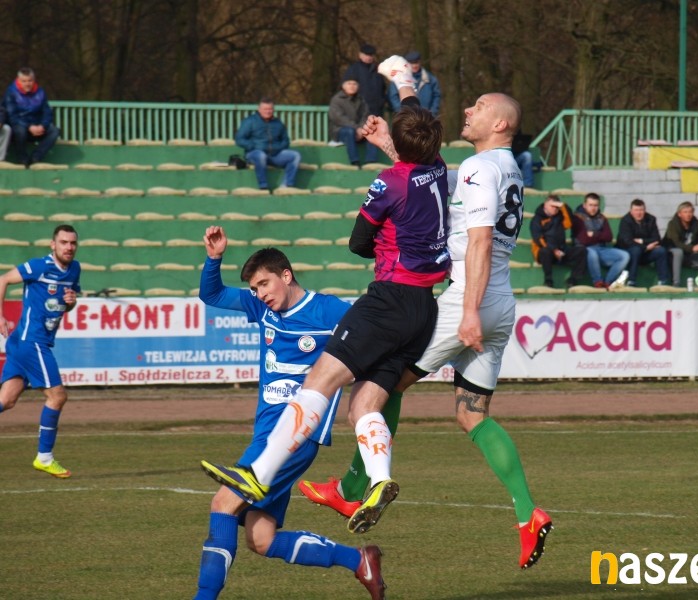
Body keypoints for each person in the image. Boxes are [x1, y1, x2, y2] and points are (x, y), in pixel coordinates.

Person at [299, 57, 552, 571]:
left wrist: (469, 312)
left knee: (384, 381)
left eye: (479, 107)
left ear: (501, 123)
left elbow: (478, 242)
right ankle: (529, 513)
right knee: (472, 414)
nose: (468, 110)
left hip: (470, 298)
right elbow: (427, 178)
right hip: (502, 301)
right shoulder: (505, 168)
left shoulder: (481, 168)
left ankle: (353, 488)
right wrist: (390, 143)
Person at [200, 68, 450, 549]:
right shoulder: (437, 168)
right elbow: (414, 128)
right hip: (424, 309)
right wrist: (402, 84)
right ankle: (379, 480)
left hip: (390, 295)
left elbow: (358, 242)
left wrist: (394, 102)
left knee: (319, 380)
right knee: (364, 405)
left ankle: (260, 472)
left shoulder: (390, 182)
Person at [193, 226, 385, 600]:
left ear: (286, 275)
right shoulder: (260, 309)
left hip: (296, 435)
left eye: (264, 284)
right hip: (267, 436)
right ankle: (359, 561)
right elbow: (211, 294)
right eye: (254, 288)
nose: (260, 294)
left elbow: (374, 334)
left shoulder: (328, 310)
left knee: (223, 504)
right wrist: (214, 258)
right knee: (261, 539)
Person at [0, 224, 80, 478]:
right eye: (63, 242)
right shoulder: (38, 266)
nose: (68, 247)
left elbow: (65, 304)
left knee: (6, 400)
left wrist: (71, 303)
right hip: (31, 342)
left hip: (25, 343)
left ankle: (44, 458)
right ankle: (44, 458)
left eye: (73, 243)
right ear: (53, 245)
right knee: (57, 396)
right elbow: (3, 279)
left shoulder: (75, 269)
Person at [234, 98, 301, 191]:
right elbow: (239, 139)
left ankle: (286, 185)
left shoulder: (278, 123)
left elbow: (285, 141)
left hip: (274, 155)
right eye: (265, 109)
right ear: (259, 109)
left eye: (270, 109)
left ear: (273, 110)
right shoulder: (249, 121)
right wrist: (254, 146)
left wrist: (278, 147)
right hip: (254, 153)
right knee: (261, 155)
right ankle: (263, 186)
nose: (268, 111)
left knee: (295, 156)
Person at [3, 67, 60, 167]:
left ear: (34, 80)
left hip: (37, 126)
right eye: (24, 81)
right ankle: (22, 159)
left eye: (30, 80)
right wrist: (29, 126)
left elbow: (47, 112)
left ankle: (36, 157)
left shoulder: (40, 92)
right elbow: (12, 116)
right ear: (18, 80)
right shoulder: (11, 92)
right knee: (20, 131)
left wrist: (43, 125)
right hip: (19, 127)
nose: (27, 84)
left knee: (54, 131)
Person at [572, 192, 629, 289]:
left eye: (596, 205)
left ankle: (607, 282)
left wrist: (593, 234)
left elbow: (609, 237)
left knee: (624, 255)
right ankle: (597, 281)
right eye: (590, 205)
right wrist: (600, 235)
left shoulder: (602, 218)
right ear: (584, 205)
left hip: (601, 249)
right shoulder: (577, 218)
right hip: (584, 250)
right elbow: (583, 240)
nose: (593, 208)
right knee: (591, 253)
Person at [530, 194, 588, 288]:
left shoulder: (559, 217)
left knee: (582, 251)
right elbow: (538, 239)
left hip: (561, 250)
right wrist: (554, 250)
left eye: (557, 207)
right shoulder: (537, 219)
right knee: (545, 251)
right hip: (547, 252)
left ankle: (573, 280)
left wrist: (563, 205)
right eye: (552, 206)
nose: (555, 209)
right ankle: (548, 281)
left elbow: (569, 223)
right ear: (545, 205)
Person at [615, 198, 670, 287]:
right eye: (636, 210)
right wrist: (645, 247)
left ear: (645, 210)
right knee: (635, 250)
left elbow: (657, 239)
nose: (639, 213)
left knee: (661, 250)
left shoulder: (651, 219)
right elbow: (627, 241)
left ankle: (662, 281)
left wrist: (641, 241)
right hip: (629, 252)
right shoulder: (625, 221)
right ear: (631, 211)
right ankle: (631, 281)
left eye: (641, 210)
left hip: (645, 254)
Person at [662, 201, 698, 288]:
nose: (688, 215)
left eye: (690, 212)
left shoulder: (697, 223)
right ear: (679, 214)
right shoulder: (673, 224)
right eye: (685, 212)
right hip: (672, 255)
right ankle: (676, 282)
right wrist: (692, 248)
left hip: (689, 254)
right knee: (678, 252)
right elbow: (676, 243)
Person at [329, 79, 378, 167]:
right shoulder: (336, 100)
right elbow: (339, 119)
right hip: (340, 131)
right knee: (349, 131)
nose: (352, 86)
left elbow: (365, 115)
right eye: (349, 83)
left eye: (354, 84)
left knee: (372, 131)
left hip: (359, 131)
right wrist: (357, 128)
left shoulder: (361, 99)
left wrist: (362, 129)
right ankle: (355, 162)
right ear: (343, 86)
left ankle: (371, 162)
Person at [387, 51, 440, 115]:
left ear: (420, 62)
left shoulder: (430, 79)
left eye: (416, 63)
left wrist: (432, 113)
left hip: (427, 116)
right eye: (411, 63)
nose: (414, 66)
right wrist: (402, 113)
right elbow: (393, 97)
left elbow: (436, 96)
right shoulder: (398, 78)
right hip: (406, 117)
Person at [342, 43, 386, 118]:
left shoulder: (378, 70)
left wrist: (382, 101)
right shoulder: (353, 69)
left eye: (370, 55)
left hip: (377, 110)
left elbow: (383, 88)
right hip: (359, 110)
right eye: (366, 55)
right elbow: (346, 89)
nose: (368, 57)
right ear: (360, 55)